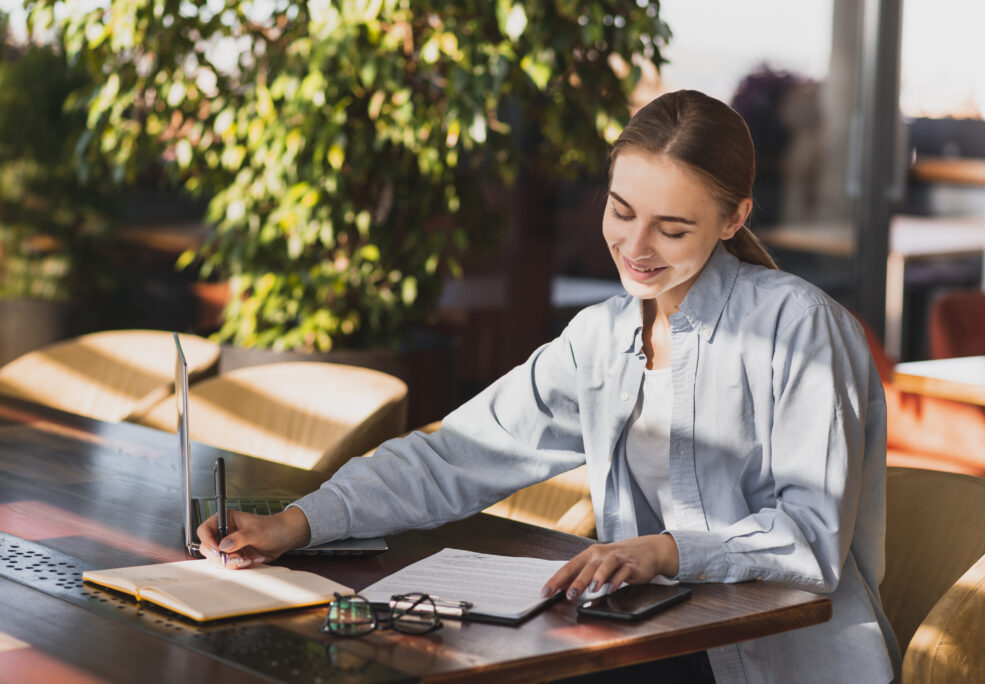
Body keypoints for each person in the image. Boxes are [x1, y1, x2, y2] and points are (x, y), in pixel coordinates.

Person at [198, 90, 901, 683]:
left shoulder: (800, 327)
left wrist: (665, 549)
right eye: (622, 211)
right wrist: (297, 522)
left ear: (734, 219)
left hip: (777, 664)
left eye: (672, 228)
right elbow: (456, 455)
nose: (635, 247)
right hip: (646, 641)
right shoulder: (598, 338)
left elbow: (808, 538)